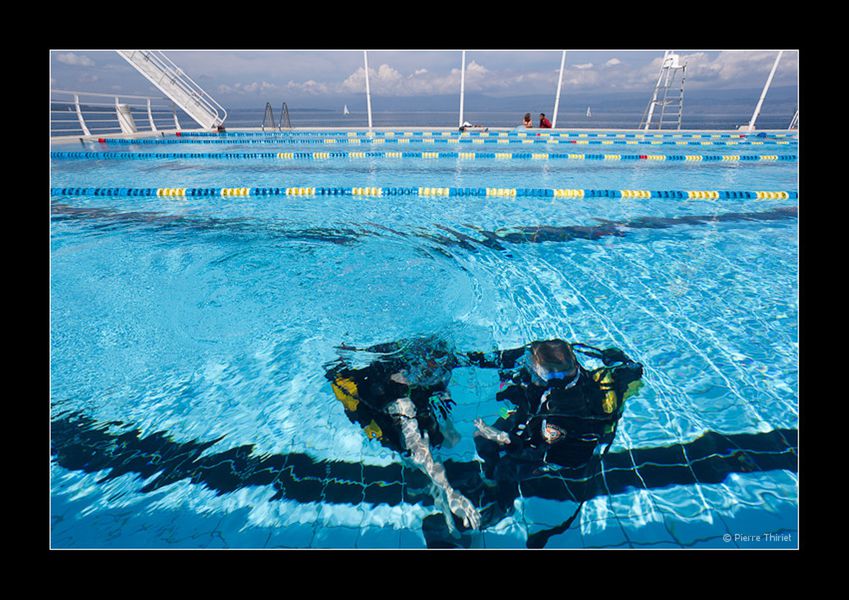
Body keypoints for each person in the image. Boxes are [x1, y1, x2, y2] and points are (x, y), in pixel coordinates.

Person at [325, 336, 481, 530]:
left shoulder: (406, 393)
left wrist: (449, 492)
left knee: (445, 440)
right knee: (436, 444)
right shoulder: (405, 404)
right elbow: (422, 446)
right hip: (374, 401)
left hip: (377, 392)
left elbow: (424, 448)